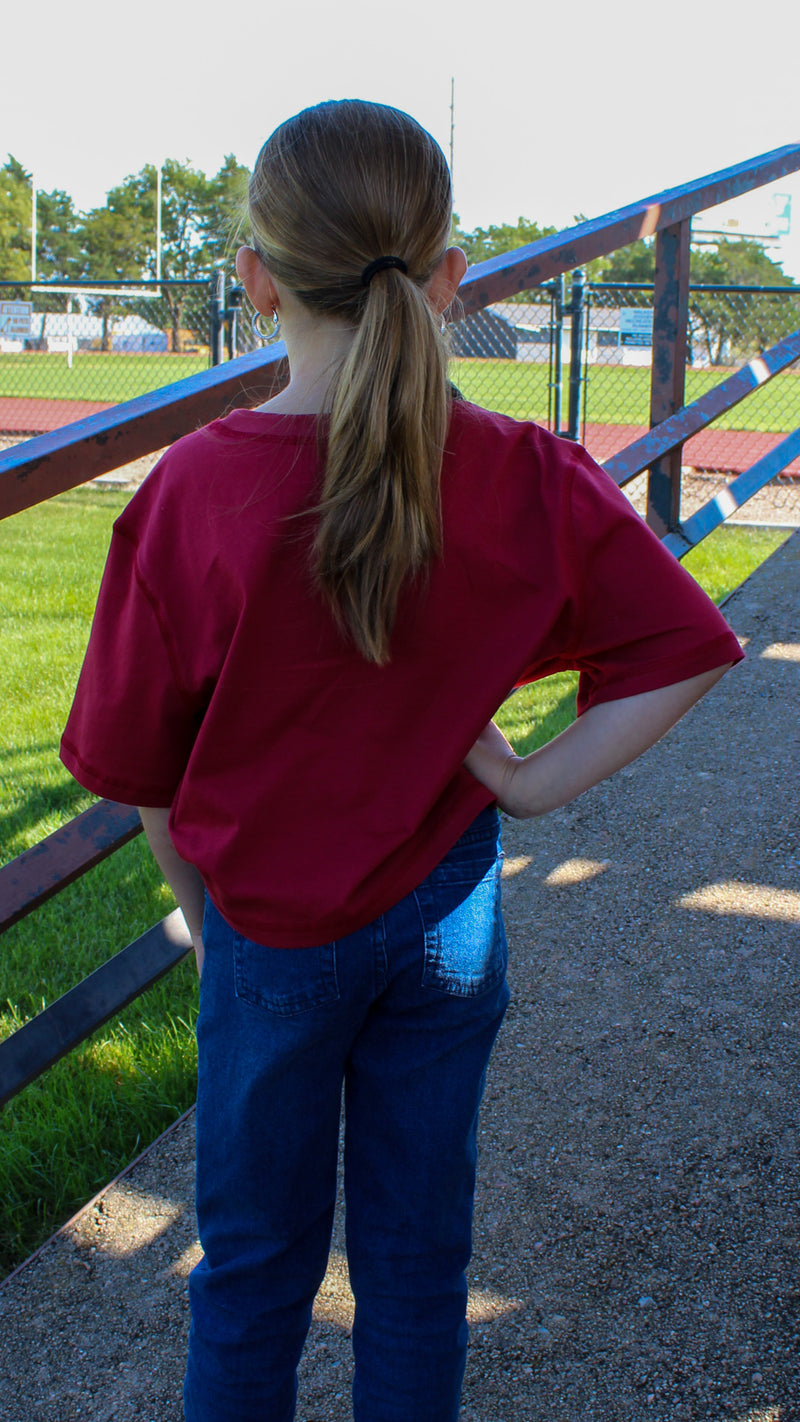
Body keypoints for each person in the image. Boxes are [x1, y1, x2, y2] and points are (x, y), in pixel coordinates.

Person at [60, 99, 742, 1422]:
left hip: (269, 933)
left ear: (255, 279)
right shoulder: (518, 471)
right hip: (446, 922)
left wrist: (209, 915)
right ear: (447, 280)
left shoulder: (191, 492)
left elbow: (142, 771)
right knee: (419, 1267)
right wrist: (534, 783)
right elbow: (686, 647)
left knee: (253, 1270)